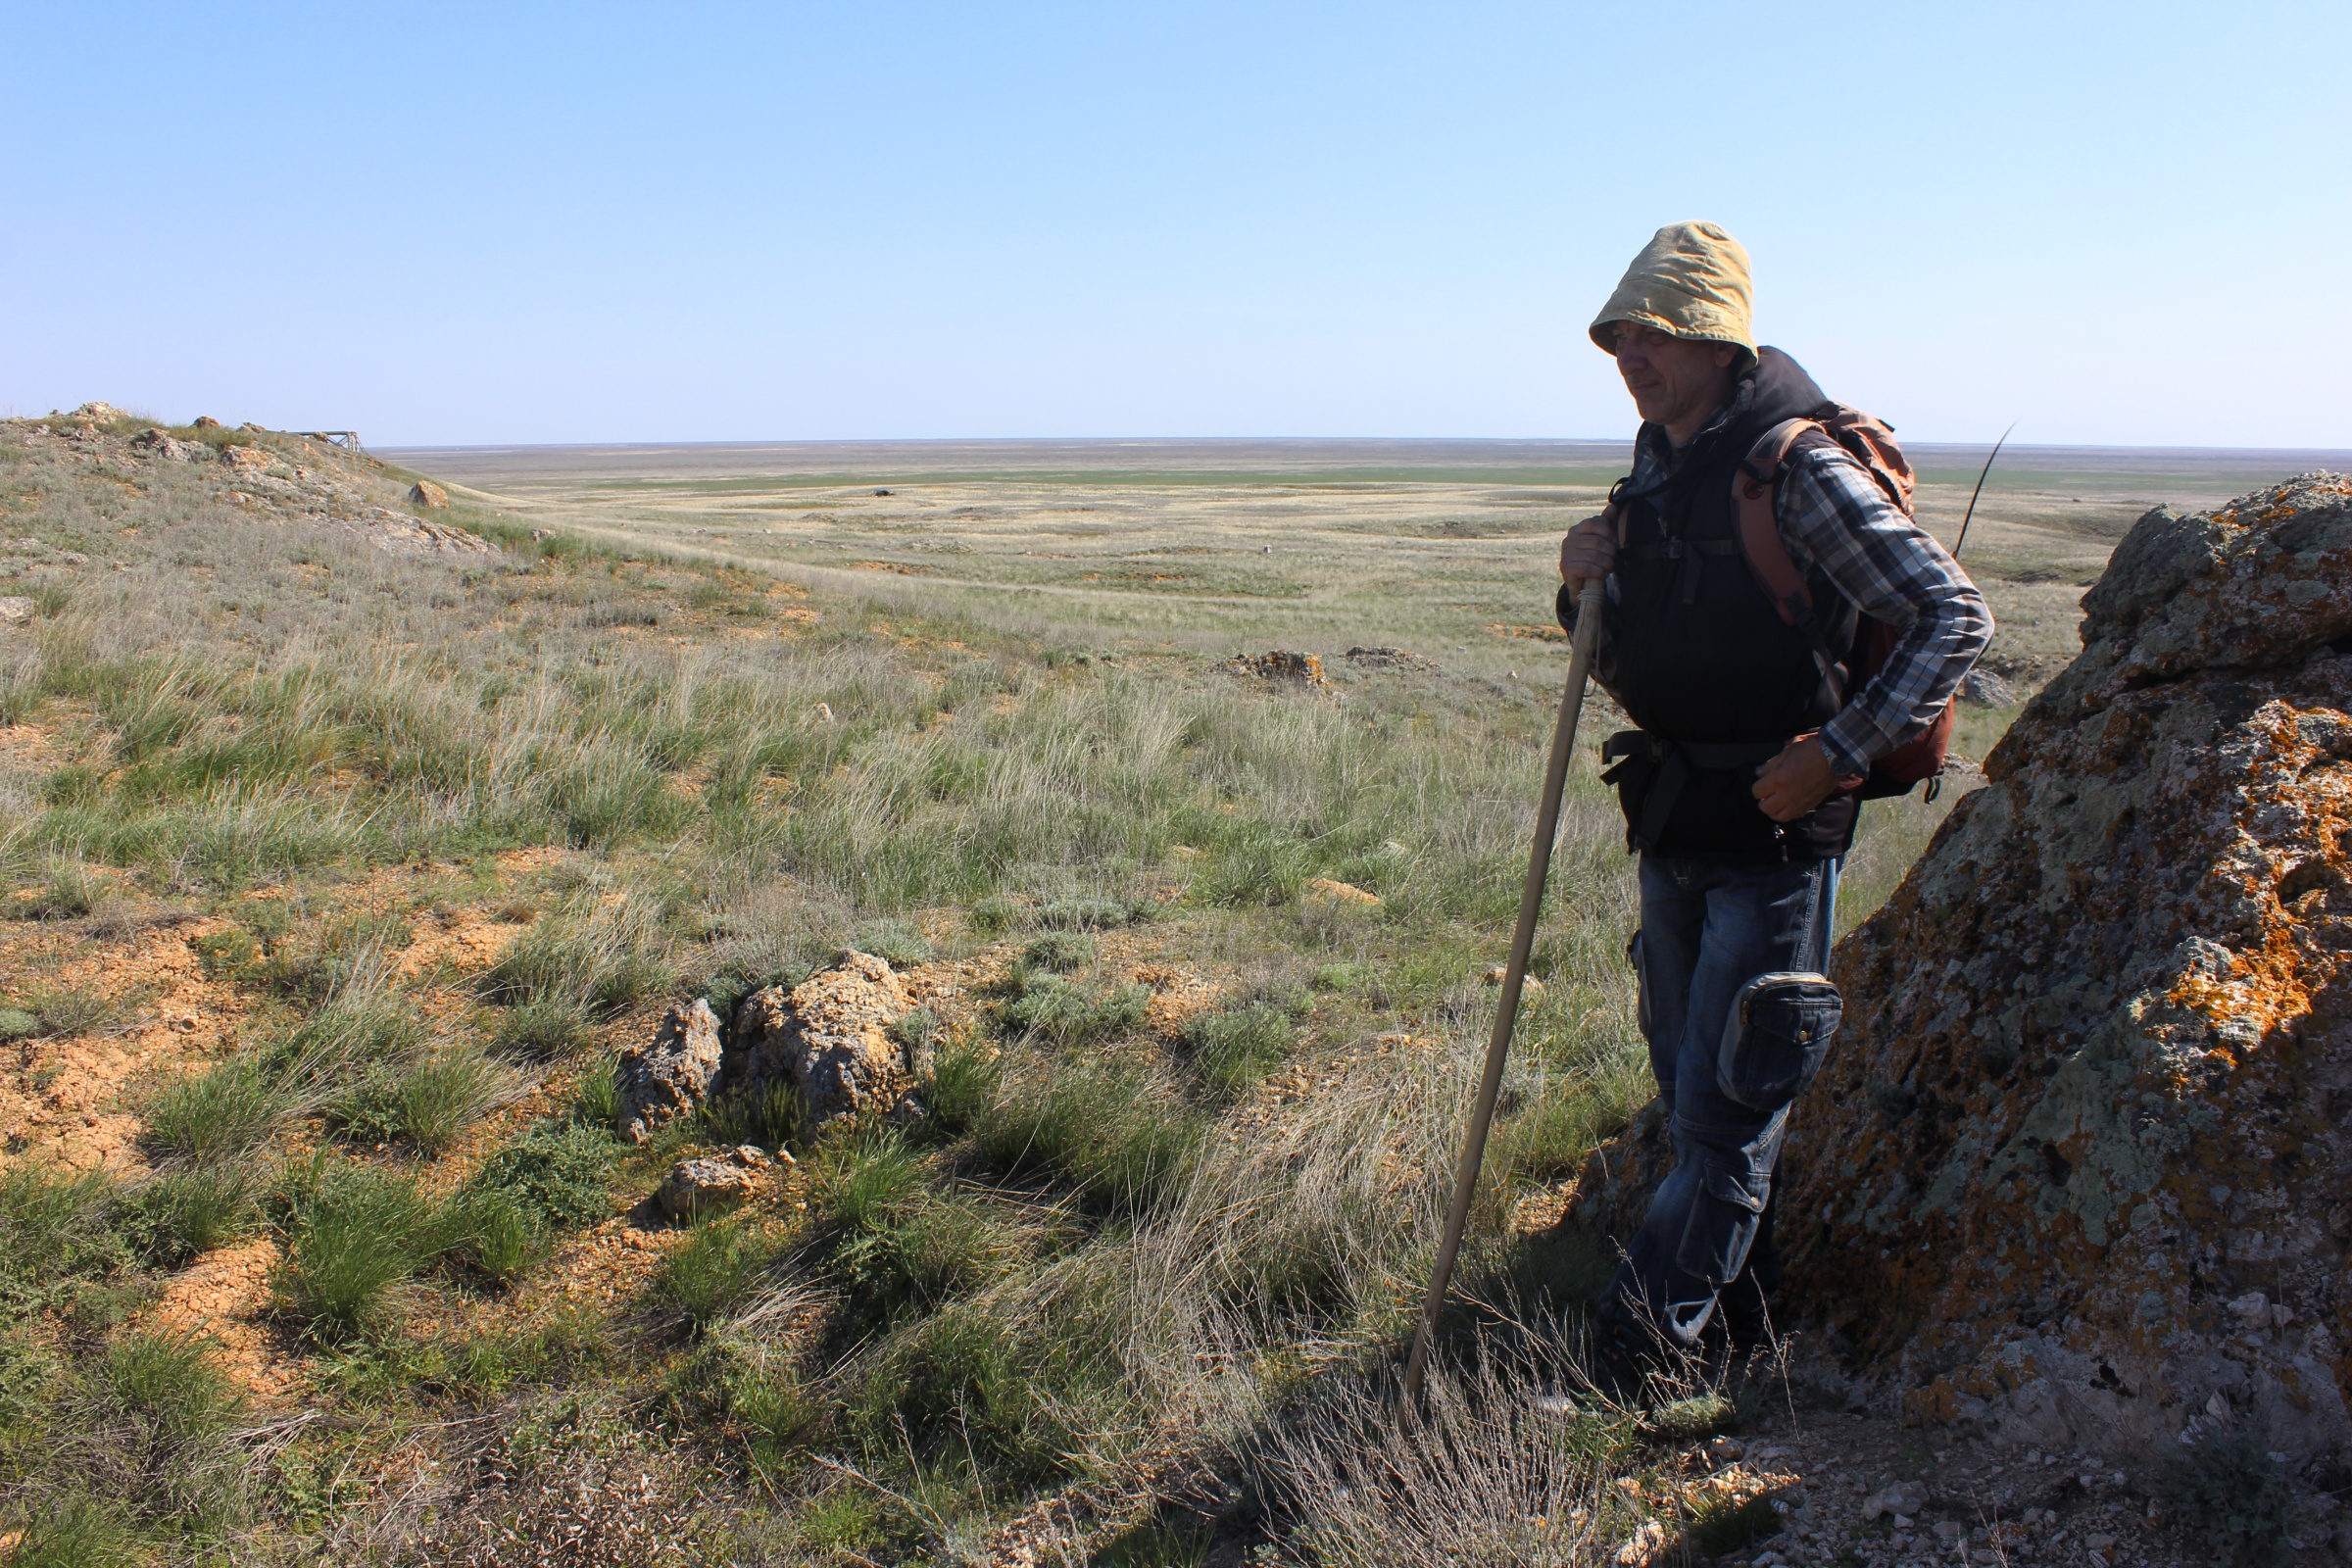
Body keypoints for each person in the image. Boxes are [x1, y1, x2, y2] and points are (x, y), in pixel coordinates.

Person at [1557, 221, 1991, 1368]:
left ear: (1719, 340)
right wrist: (1581, 590)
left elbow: (1954, 615)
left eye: (1656, 334)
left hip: (1776, 837)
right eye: (1619, 337)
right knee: (1686, 1087)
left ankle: (1631, 1364)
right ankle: (1736, 1321)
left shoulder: (1792, 471)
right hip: (1676, 819)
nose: (1632, 357)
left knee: (1727, 1109)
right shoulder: (1659, 465)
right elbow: (1644, 657)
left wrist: (1836, 751)